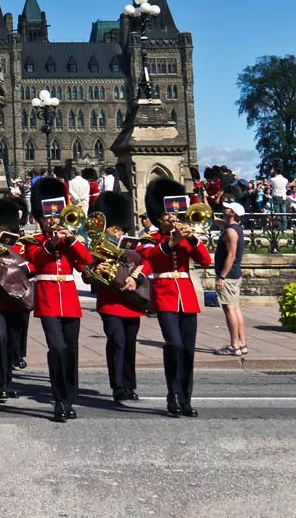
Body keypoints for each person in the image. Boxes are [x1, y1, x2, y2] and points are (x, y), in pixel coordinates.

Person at [139, 177, 212, 418]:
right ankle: (173, 392)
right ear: (159, 215)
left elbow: (205, 260)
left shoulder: (187, 234)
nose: (173, 217)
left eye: (174, 214)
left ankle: (186, 398)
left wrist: (191, 238)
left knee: (188, 349)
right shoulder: (151, 240)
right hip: (164, 296)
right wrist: (173, 240)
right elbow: (152, 259)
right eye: (168, 214)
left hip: (186, 296)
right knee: (174, 344)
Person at [26, 177, 92, 423]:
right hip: (47, 300)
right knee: (57, 348)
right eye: (47, 217)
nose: (52, 220)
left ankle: (69, 398)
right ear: (40, 218)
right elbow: (36, 261)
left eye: (55, 216)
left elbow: (85, 261)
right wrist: (52, 245)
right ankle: (58, 399)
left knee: (71, 350)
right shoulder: (34, 242)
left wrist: (71, 240)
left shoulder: (70, 240)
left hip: (69, 300)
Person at [93, 190, 148, 405]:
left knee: (130, 344)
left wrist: (136, 278)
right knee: (117, 341)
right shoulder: (98, 245)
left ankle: (129, 384)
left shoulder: (132, 244)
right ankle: (117, 385)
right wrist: (97, 267)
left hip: (131, 300)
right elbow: (88, 275)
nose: (116, 232)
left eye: (118, 229)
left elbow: (145, 263)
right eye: (113, 228)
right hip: (110, 302)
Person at [0, 198, 31, 404]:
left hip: (16, 300)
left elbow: (31, 268)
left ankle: (8, 382)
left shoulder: (21, 246)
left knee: (11, 341)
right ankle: (1, 384)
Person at [214, 199, 247, 357]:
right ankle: (242, 343)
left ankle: (234, 345)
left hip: (228, 275)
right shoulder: (235, 228)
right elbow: (220, 223)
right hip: (235, 274)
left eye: (227, 208)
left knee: (229, 309)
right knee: (235, 307)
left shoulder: (230, 232)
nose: (224, 209)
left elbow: (231, 256)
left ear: (232, 213)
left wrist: (222, 276)